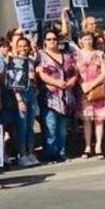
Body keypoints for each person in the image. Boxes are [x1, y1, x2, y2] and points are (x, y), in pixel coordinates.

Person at [36, 29, 78, 163]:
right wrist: (55, 82)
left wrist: (73, 80)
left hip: (65, 96)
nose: (52, 41)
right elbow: (41, 74)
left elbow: (74, 71)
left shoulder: (66, 55)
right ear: (44, 42)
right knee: (51, 126)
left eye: (54, 39)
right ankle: (51, 154)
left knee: (62, 128)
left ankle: (62, 152)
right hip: (49, 97)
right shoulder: (41, 56)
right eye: (49, 39)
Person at [75, 31, 105, 159]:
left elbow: (104, 72)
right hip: (84, 90)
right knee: (87, 120)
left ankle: (99, 146)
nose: (88, 41)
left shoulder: (99, 54)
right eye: (85, 39)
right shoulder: (76, 55)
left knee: (99, 119)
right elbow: (75, 73)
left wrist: (93, 84)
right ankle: (88, 146)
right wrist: (83, 85)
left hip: (97, 88)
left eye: (90, 39)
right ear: (81, 41)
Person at [9, 37, 40, 167]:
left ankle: (30, 152)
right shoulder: (13, 62)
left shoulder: (32, 61)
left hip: (32, 93)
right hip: (21, 94)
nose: (23, 48)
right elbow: (13, 82)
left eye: (25, 46)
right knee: (21, 126)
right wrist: (19, 99)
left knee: (30, 126)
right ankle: (22, 154)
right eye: (20, 46)